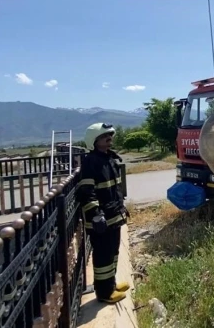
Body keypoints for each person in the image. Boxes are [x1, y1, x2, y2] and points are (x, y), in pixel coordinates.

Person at [76, 123, 130, 304]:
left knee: (113, 252)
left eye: (110, 136)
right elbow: (86, 191)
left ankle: (111, 284)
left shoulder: (109, 159)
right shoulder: (91, 162)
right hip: (102, 220)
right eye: (105, 137)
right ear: (94, 141)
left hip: (113, 216)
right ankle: (104, 293)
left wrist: (121, 208)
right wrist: (96, 214)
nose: (109, 139)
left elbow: (114, 190)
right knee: (103, 256)